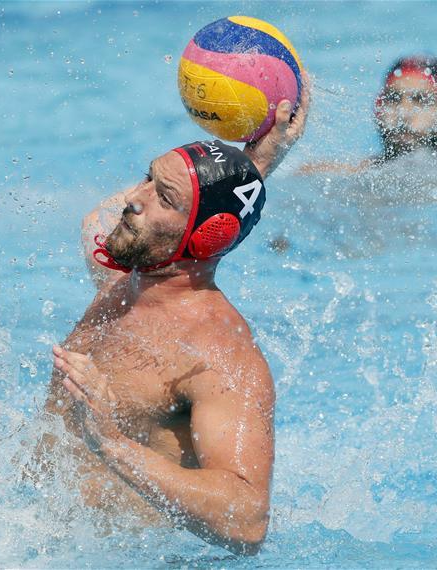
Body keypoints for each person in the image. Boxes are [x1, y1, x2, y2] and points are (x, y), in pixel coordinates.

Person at [37, 73, 310, 555]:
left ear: (204, 237)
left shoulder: (219, 356)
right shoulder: (128, 281)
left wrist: (111, 442)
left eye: (162, 197)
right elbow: (94, 222)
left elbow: (246, 521)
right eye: (147, 177)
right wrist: (258, 162)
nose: (131, 199)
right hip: (40, 531)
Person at [298, 54, 437, 175]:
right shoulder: (350, 173)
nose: (403, 113)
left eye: (420, 100)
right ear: (378, 107)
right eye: (393, 99)